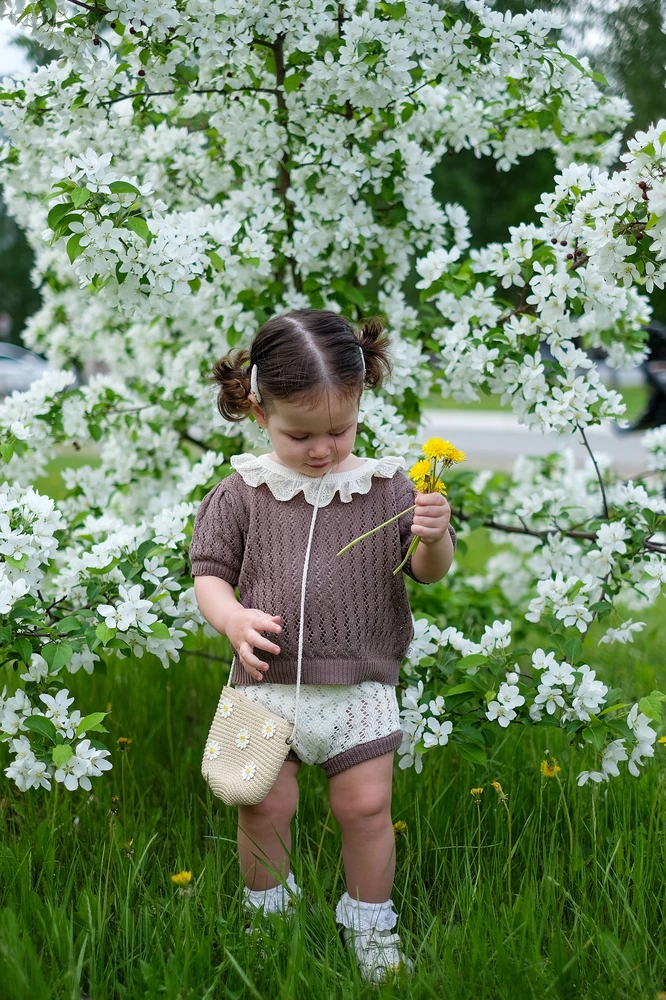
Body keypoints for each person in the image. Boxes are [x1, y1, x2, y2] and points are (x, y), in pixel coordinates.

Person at [189, 309, 456, 982]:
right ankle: (267, 912)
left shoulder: (391, 486)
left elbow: (425, 574)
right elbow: (209, 573)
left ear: (362, 399)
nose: (320, 450)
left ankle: (369, 924)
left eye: (339, 430)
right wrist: (232, 621)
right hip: (264, 681)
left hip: (359, 685)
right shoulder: (242, 492)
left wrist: (433, 537)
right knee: (260, 802)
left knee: (366, 807)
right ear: (258, 411)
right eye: (298, 433)